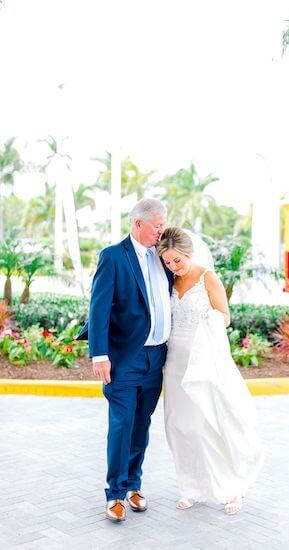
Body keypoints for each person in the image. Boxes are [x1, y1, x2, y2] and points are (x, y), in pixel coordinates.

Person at [77, 198, 173, 522]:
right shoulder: (114, 257)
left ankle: (134, 485)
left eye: (163, 224)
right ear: (138, 224)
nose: (162, 230)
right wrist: (99, 355)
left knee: (141, 425)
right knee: (122, 425)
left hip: (156, 359)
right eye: (158, 225)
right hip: (124, 359)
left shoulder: (163, 258)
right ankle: (115, 493)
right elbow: (99, 309)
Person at [157, 227, 263, 516]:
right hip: (176, 361)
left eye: (177, 261)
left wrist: (205, 330)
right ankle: (191, 487)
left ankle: (231, 488)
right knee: (179, 425)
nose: (173, 267)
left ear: (189, 252)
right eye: (167, 262)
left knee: (208, 425)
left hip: (203, 359)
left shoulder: (208, 277)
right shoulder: (169, 281)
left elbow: (224, 317)